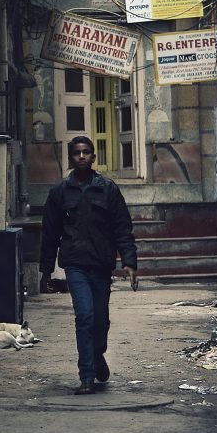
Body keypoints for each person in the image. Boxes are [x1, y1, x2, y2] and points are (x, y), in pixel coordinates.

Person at [39, 135, 138, 395]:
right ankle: (86, 375)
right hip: (75, 264)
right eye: (76, 153)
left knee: (100, 320)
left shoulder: (107, 189)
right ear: (70, 158)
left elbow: (122, 227)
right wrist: (46, 269)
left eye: (86, 152)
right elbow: (49, 232)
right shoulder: (60, 192)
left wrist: (129, 262)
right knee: (85, 316)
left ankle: (97, 355)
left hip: (101, 264)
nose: (81, 156)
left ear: (94, 157)